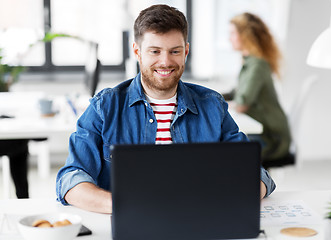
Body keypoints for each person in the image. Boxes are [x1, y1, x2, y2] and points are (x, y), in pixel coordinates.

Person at [56, 4, 276, 214]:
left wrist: (230, 199)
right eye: (154, 51)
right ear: (137, 51)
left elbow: (256, 174)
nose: (165, 61)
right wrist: (124, 205)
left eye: (174, 51)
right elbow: (71, 179)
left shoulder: (212, 105)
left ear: (186, 51)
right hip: (129, 223)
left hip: (198, 220)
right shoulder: (104, 107)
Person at [227, 12, 292, 164]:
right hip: (266, 134)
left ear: (245, 35)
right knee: (225, 145)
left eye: (232, 33)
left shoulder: (257, 65)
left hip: (274, 140)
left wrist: (218, 105)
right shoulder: (250, 63)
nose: (229, 38)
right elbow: (236, 93)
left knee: (227, 153)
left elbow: (242, 104)